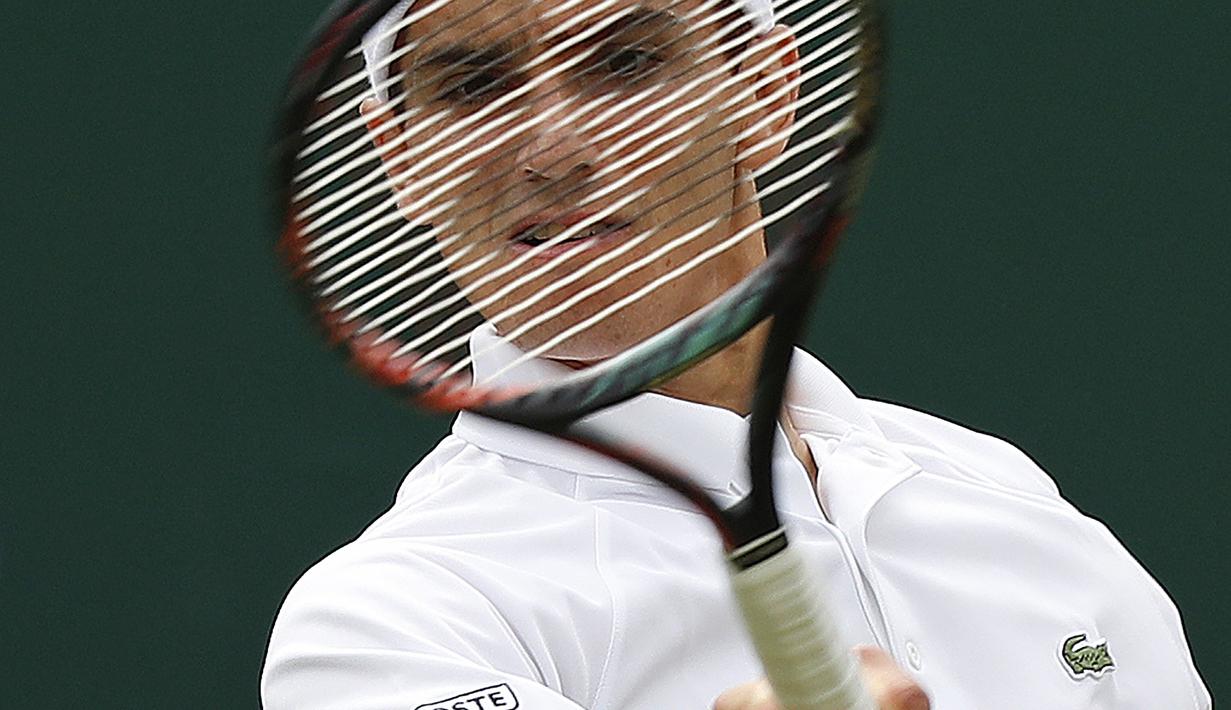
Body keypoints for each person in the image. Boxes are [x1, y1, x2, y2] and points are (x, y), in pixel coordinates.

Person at [262, 0, 1210, 708]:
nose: (553, 148)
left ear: (763, 92)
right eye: (473, 86)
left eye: (625, 61)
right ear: (401, 157)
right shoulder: (386, 625)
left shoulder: (1006, 499)